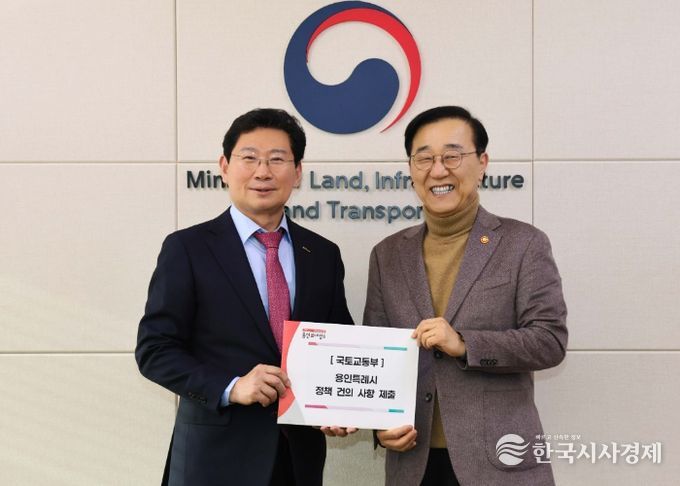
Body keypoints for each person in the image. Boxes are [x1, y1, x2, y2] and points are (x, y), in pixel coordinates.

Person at [136, 108, 354, 486]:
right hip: (214, 462)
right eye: (249, 158)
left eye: (277, 159)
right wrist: (232, 386)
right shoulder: (188, 248)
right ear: (224, 167)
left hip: (297, 461)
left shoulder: (322, 254)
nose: (263, 172)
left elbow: (339, 343)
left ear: (297, 172)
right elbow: (155, 350)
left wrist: (341, 405)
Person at [363, 106, 568, 486]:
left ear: (482, 163)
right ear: (411, 169)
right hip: (413, 463)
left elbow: (549, 342)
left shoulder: (523, 244)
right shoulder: (387, 254)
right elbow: (376, 357)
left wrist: (464, 343)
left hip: (499, 463)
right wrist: (379, 426)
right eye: (424, 158)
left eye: (452, 156)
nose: (438, 170)